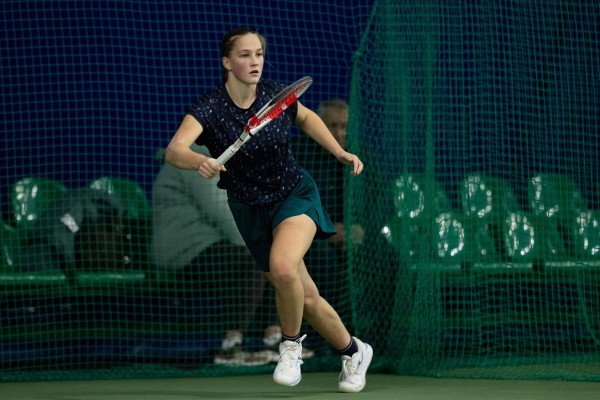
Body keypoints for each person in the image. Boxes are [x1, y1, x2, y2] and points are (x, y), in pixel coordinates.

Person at [164, 27, 372, 392]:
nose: (255, 61)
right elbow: (175, 150)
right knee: (305, 295)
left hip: (293, 195)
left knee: (282, 267)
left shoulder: (275, 96)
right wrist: (199, 161)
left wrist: (338, 151)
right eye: (245, 55)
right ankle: (355, 351)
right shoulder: (210, 107)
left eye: (259, 54)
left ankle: (290, 348)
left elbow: (306, 118)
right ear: (227, 62)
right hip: (249, 209)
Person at [152, 144, 282, 367]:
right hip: (184, 252)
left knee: (278, 261)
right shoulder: (195, 161)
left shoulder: (225, 160)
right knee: (258, 260)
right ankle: (230, 347)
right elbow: (223, 214)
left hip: (210, 245)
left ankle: (275, 341)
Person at [292, 99, 364, 354]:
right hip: (311, 238)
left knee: (387, 255)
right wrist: (328, 230)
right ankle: (319, 341)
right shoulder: (298, 154)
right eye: (332, 126)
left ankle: (373, 335)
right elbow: (293, 202)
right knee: (321, 259)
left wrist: (359, 230)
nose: (339, 132)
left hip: (353, 237)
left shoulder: (361, 156)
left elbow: (380, 204)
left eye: (344, 126)